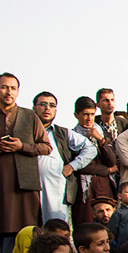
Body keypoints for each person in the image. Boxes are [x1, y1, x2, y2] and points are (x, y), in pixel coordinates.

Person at [0, 73, 52, 243]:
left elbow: (46, 147)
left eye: (13, 88)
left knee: (27, 233)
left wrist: (22, 146)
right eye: (4, 87)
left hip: (24, 186)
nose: (9, 92)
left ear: (18, 92)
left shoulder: (30, 116)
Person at [31, 91, 97, 223]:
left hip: (56, 191)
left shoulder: (62, 133)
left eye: (51, 105)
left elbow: (90, 149)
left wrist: (72, 166)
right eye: (43, 104)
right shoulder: (25, 131)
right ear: (34, 108)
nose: (47, 108)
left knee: (57, 231)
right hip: (29, 190)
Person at [71, 96, 118, 225]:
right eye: (85, 114)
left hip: (103, 185)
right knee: (85, 222)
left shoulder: (101, 132)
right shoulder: (72, 136)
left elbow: (112, 160)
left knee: (107, 221)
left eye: (92, 114)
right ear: (77, 115)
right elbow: (79, 165)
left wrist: (100, 140)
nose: (89, 118)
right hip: (83, 188)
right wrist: (107, 170)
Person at [107, 181, 128, 248]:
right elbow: (112, 232)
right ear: (119, 196)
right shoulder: (118, 213)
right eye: (127, 192)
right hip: (123, 247)